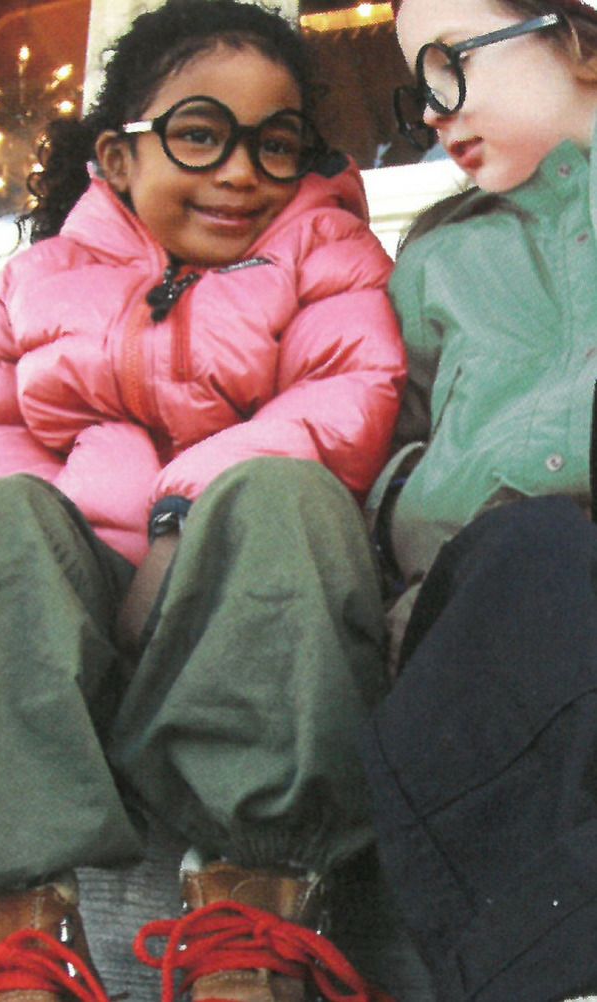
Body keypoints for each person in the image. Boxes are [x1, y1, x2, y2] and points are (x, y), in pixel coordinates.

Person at [0, 1, 406, 1000]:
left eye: (275, 144)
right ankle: (14, 928)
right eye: (201, 135)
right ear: (118, 158)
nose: (240, 171)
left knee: (283, 496)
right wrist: (70, 550)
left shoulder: (325, 253)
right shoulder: (40, 278)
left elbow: (348, 399)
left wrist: (175, 520)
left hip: (242, 656)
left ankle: (254, 908)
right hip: (73, 644)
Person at [363, 2, 597, 1000]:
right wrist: (423, 502)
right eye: (419, 87)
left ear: (579, 36)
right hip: (490, 611)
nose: (431, 110)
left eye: (451, 65)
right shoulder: (437, 260)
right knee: (533, 553)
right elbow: (387, 445)